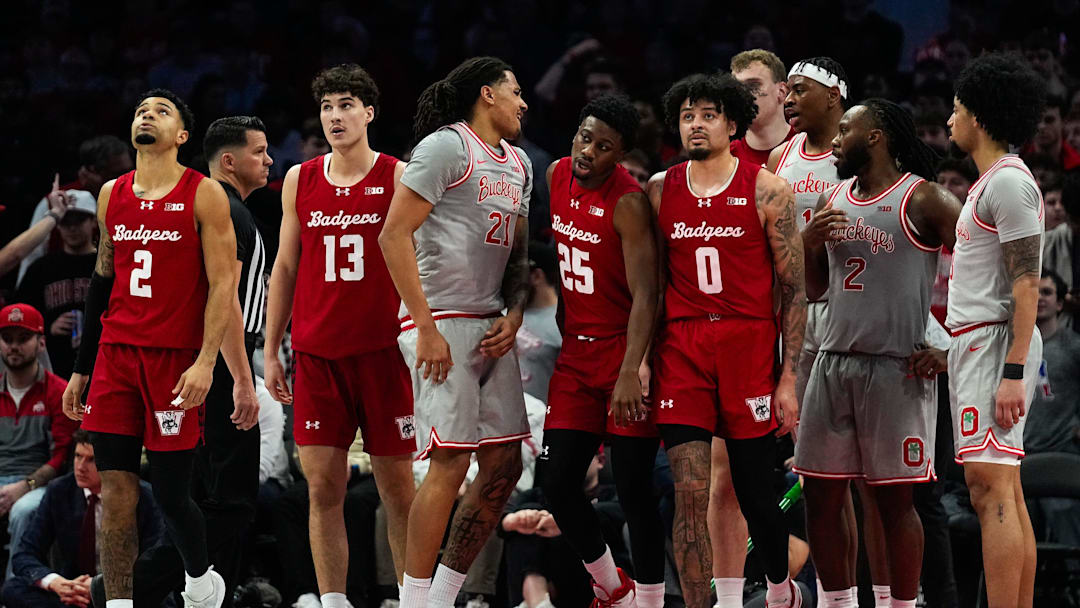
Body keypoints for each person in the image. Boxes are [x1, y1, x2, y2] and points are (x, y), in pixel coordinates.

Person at [62, 88, 239, 608]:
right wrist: (81, 370)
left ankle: (200, 581)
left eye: (161, 111)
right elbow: (101, 282)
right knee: (116, 492)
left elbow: (223, 284)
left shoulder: (204, 193)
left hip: (173, 360)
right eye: (141, 110)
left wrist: (206, 362)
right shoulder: (110, 194)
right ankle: (119, 603)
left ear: (181, 135)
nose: (147, 115)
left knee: (170, 494)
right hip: (116, 357)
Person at [793, 98, 962, 608]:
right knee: (819, 496)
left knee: (894, 503)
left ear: (875, 136)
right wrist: (809, 245)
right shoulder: (832, 197)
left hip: (895, 368)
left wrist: (951, 346)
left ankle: (902, 605)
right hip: (831, 361)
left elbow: (984, 270)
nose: (835, 140)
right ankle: (839, 603)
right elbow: (817, 290)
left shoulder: (925, 198)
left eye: (845, 129)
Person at [379, 56, 532, 608]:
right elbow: (392, 235)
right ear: (488, 94)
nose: (523, 103)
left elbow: (519, 253)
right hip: (441, 319)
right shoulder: (447, 146)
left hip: (491, 323)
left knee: (504, 466)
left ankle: (442, 595)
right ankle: (415, 600)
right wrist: (424, 327)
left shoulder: (519, 162)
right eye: (515, 91)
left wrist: (515, 312)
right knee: (451, 462)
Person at [648, 73, 805, 608]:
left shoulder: (768, 190)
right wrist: (642, 360)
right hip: (683, 347)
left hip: (748, 345)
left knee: (755, 493)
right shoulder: (659, 189)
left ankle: (781, 590)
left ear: (732, 124)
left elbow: (795, 291)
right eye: (687, 115)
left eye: (708, 115)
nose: (696, 124)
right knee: (690, 493)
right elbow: (653, 286)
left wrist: (789, 378)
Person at [263, 65, 416, 608]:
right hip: (317, 355)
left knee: (399, 491)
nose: (335, 116)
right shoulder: (299, 179)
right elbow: (284, 267)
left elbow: (424, 259)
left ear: (368, 113)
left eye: (346, 104)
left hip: (384, 354)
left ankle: (415, 598)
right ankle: (333, 601)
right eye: (327, 106)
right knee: (322, 489)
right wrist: (271, 349)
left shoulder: (398, 175)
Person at [538, 93, 664, 608]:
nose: (588, 151)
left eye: (604, 146)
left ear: (622, 155)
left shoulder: (628, 203)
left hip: (620, 354)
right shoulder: (555, 175)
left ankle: (651, 601)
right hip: (574, 357)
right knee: (557, 483)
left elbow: (647, 295)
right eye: (584, 138)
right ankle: (614, 588)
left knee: (633, 490)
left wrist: (633, 368)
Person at [945, 52, 1048, 608]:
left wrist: (1012, 370)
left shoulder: (1008, 183)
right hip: (981, 343)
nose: (950, 120)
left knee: (989, 491)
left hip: (995, 346)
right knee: (1005, 489)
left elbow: (1027, 284)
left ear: (980, 117)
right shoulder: (993, 182)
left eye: (957, 109)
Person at [2, 429, 164, 608]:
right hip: (73, 590)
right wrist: (55, 582)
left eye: (91, 459)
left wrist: (98, 587)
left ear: (112, 464)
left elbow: (155, 561)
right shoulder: (60, 490)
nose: (80, 467)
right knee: (13, 589)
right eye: (78, 456)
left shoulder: (143, 496)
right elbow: (24, 553)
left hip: (124, 591)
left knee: (165, 597)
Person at [0, 303, 78, 580]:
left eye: (23, 338)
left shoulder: (59, 392)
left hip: (38, 483)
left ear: (41, 343)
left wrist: (25, 485)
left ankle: (15, 591)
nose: (14, 346)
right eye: (7, 339)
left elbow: (61, 457)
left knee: (23, 511)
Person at [16, 136, 133, 283]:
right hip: (59, 287)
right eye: (117, 174)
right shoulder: (55, 202)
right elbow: (32, 255)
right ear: (91, 172)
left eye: (130, 172)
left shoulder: (134, 200)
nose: (127, 180)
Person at [15, 195, 98, 380]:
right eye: (66, 222)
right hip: (53, 368)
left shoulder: (107, 266)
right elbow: (19, 315)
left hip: (100, 365)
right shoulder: (41, 269)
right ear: (58, 225)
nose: (72, 228)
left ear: (93, 221)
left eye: (79, 220)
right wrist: (48, 326)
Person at [729, 50, 795, 168]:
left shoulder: (809, 146)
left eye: (753, 85)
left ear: (781, 91)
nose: (743, 95)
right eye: (737, 88)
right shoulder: (728, 158)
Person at [516, 242, 561, 403]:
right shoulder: (508, 314)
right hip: (504, 413)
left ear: (536, 276)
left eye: (517, 276)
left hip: (542, 413)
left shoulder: (562, 323)